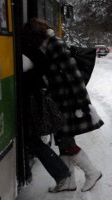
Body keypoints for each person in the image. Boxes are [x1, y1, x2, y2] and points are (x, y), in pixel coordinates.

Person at [22, 18, 104, 193]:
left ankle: (92, 172)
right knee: (62, 140)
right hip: (59, 100)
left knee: (66, 141)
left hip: (68, 101)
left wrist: (84, 103)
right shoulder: (48, 45)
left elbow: (74, 76)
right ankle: (68, 182)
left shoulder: (55, 45)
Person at [21, 53, 73, 192]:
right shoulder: (32, 55)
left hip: (28, 103)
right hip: (31, 100)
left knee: (31, 140)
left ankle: (60, 172)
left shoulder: (25, 58)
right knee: (31, 141)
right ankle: (58, 173)